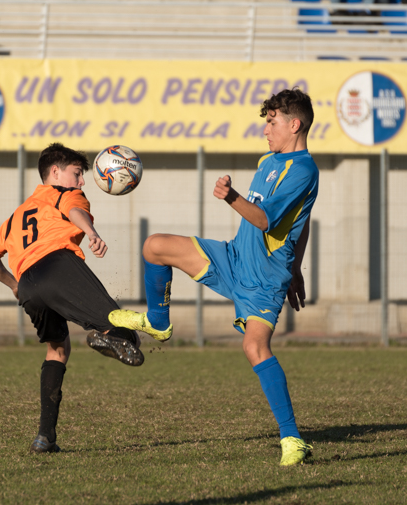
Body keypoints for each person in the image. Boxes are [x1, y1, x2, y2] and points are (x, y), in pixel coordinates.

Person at [109, 88, 319, 467]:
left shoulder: (303, 170)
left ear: (294, 125)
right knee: (155, 246)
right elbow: (298, 223)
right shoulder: (268, 160)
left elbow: (266, 219)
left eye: (272, 122)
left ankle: (292, 439)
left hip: (264, 280)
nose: (266, 130)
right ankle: (158, 323)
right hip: (233, 257)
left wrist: (231, 197)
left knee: (255, 348)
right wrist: (298, 267)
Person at [0, 142, 143, 454]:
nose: (82, 182)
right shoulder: (63, 194)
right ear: (55, 172)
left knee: (57, 349)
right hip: (58, 266)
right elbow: (74, 210)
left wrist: (15, 286)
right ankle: (110, 336)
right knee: (124, 331)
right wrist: (91, 233)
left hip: (29, 286)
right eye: (77, 173)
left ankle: (45, 437)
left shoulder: (16, 215)